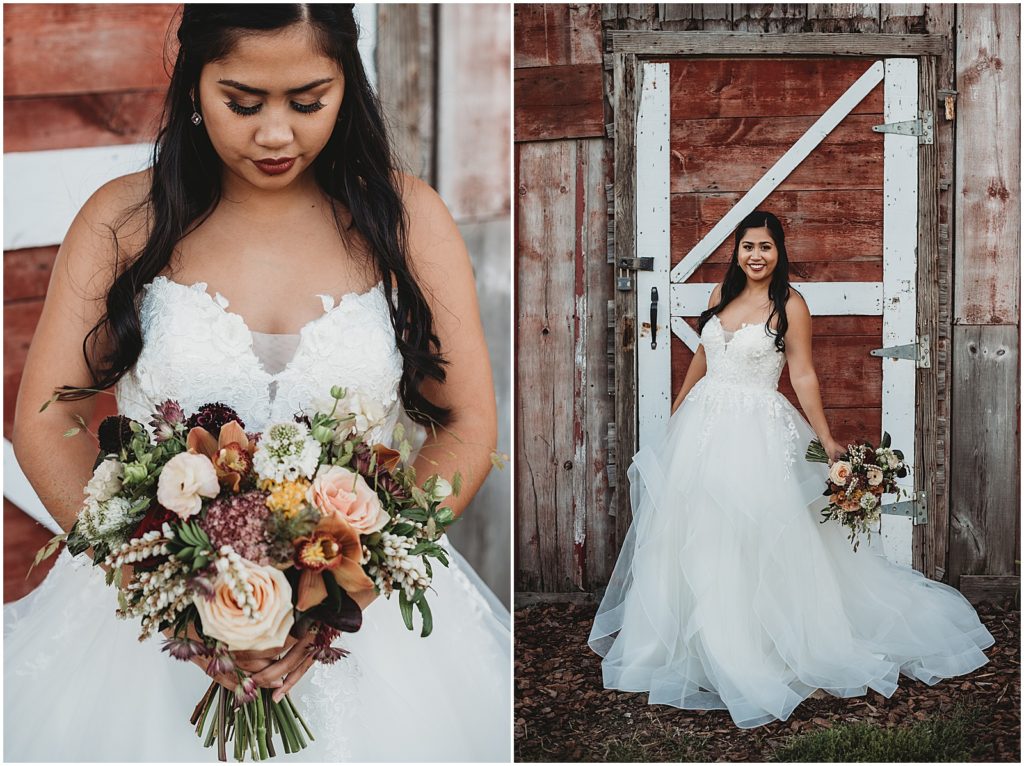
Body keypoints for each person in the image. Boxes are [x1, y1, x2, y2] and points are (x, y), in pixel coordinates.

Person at [6, 4, 510, 761]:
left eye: (309, 101)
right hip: (144, 630)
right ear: (194, 84)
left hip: (362, 619)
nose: (276, 134)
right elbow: (48, 419)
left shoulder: (408, 220)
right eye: (242, 102)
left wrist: (344, 588)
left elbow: (466, 422)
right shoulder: (124, 221)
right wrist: (164, 587)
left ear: (349, 83)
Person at [588, 210, 994, 729]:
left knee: (752, 532)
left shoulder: (791, 306)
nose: (755, 256)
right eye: (747, 247)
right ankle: (696, 641)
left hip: (757, 427)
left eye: (766, 248)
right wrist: (678, 409)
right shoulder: (719, 296)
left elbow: (802, 373)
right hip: (703, 425)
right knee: (695, 532)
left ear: (779, 253)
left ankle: (754, 644)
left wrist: (826, 439)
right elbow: (702, 358)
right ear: (736, 251)